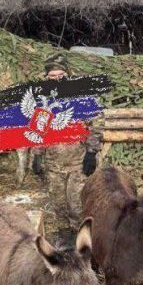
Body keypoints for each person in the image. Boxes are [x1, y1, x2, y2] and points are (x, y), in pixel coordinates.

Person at [38, 53, 102, 229]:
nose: (57, 79)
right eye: (52, 76)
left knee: (77, 205)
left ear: (68, 74)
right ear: (46, 77)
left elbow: (96, 124)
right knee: (58, 205)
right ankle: (64, 235)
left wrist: (91, 152)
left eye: (61, 75)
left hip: (78, 163)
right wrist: (37, 155)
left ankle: (80, 236)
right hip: (53, 164)